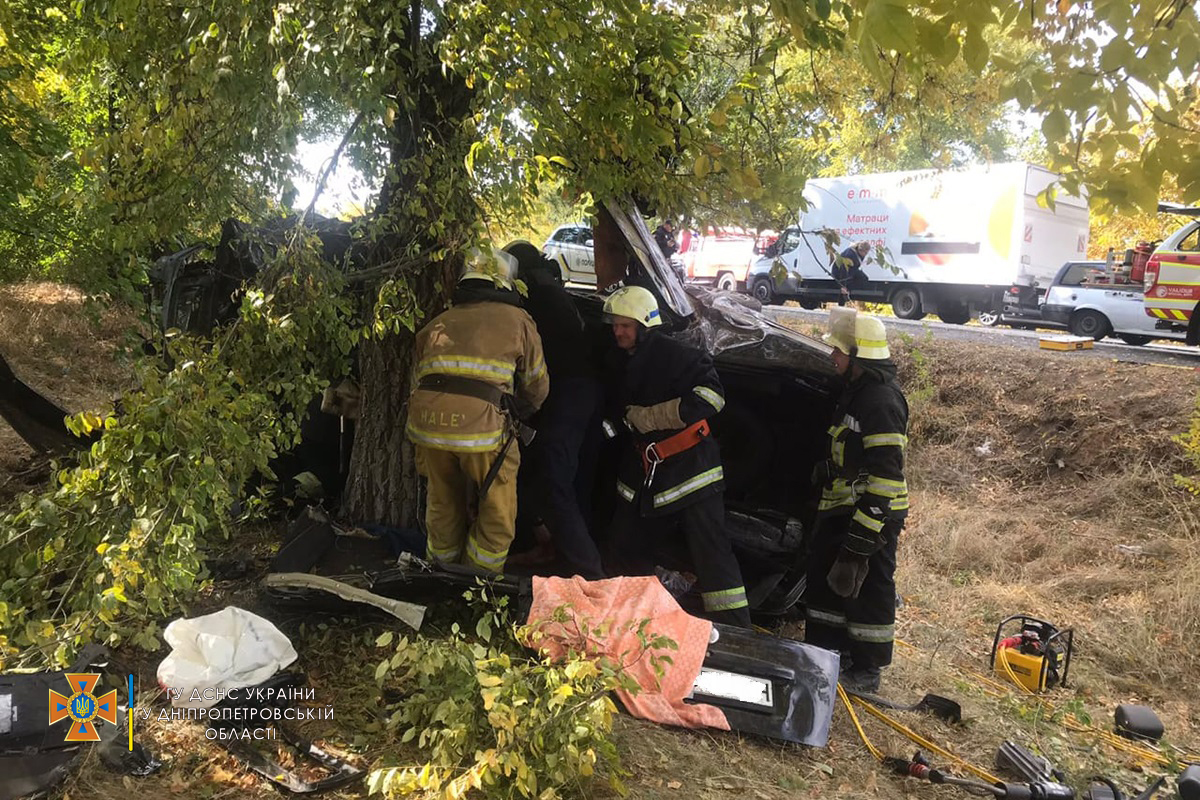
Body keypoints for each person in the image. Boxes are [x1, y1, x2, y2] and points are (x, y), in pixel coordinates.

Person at [602, 285, 751, 627]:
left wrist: (652, 416)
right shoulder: (619, 360)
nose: (617, 331)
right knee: (623, 547)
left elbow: (712, 399)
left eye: (625, 325)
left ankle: (736, 632)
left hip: (692, 472)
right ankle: (629, 621)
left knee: (712, 555)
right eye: (615, 324)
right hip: (645, 470)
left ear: (645, 325)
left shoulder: (677, 356)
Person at [406, 246, 549, 572]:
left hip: (427, 428)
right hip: (484, 432)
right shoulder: (518, 321)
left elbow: (418, 379)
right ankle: (475, 585)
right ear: (504, 283)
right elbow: (538, 385)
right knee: (497, 514)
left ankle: (438, 576)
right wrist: (524, 411)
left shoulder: (437, 324)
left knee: (442, 505)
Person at [805, 306, 909, 692]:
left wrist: (864, 533)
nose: (832, 356)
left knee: (869, 589)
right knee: (830, 584)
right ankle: (832, 654)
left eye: (838, 351)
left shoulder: (881, 401)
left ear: (858, 356)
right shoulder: (855, 391)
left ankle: (867, 670)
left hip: (872, 514)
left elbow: (885, 473)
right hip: (843, 509)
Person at [502, 240, 605, 579]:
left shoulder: (535, 296)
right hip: (582, 391)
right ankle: (552, 548)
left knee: (553, 477)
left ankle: (589, 574)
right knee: (566, 479)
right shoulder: (552, 290)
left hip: (566, 392)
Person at [833, 241, 871, 305]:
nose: (865, 255)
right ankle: (842, 302)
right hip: (839, 271)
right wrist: (843, 286)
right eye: (865, 253)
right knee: (846, 286)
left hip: (852, 269)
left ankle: (848, 292)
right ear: (860, 250)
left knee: (864, 278)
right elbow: (844, 270)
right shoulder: (850, 254)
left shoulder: (860, 254)